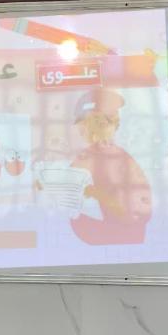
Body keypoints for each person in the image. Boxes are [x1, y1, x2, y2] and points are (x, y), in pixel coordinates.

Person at [69, 88, 153, 245]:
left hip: (128, 235)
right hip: (109, 235)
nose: (114, 125)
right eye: (103, 122)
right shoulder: (87, 158)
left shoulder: (119, 154)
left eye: (113, 121)